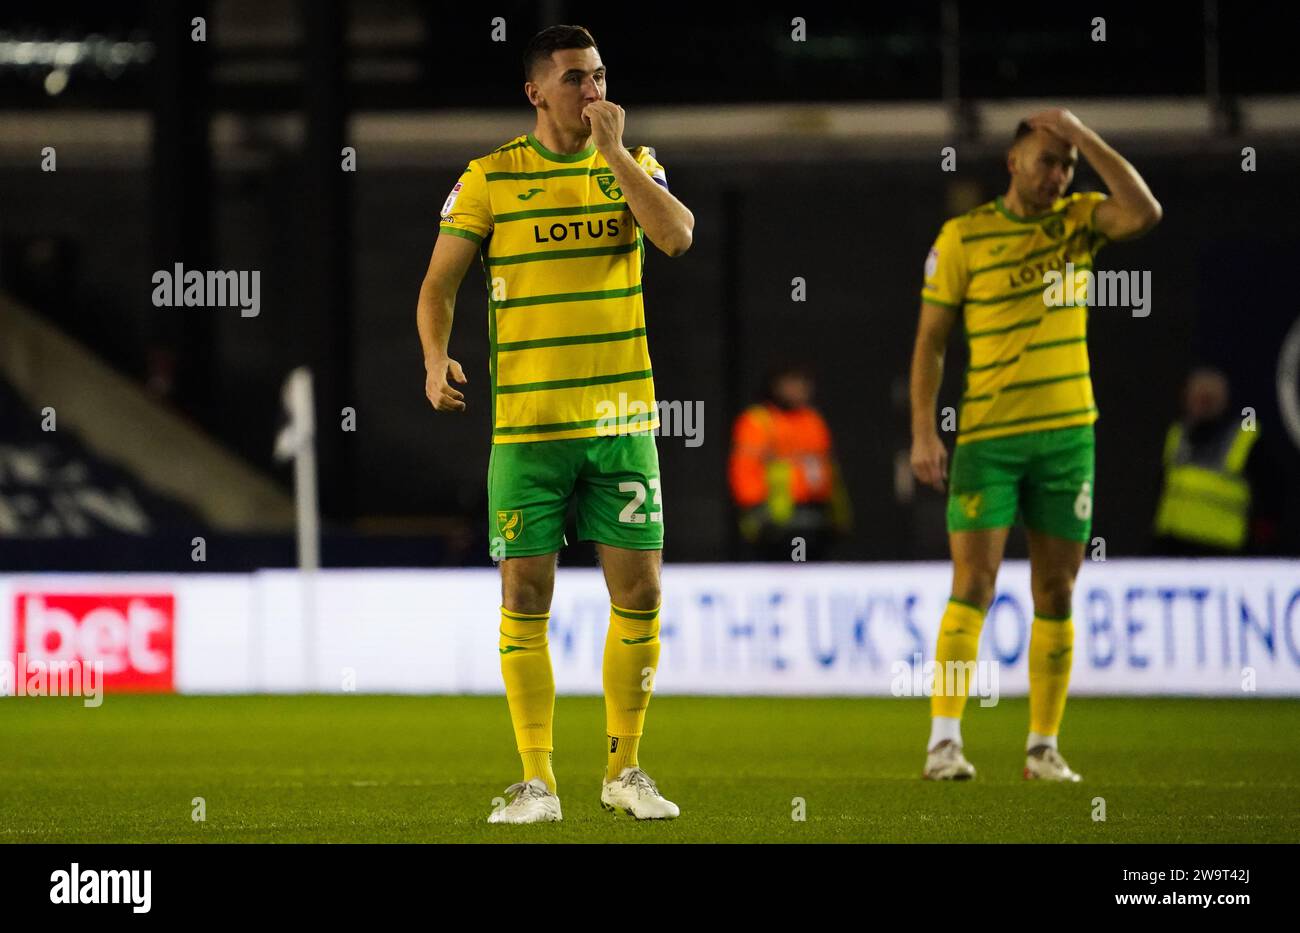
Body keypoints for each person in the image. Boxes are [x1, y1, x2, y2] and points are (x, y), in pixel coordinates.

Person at [416, 25, 695, 823]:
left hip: (621, 421)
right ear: (536, 91)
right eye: (576, 78)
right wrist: (435, 358)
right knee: (525, 590)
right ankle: (537, 780)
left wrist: (612, 155)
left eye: (601, 75)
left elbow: (675, 237)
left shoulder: (635, 167)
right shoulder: (490, 177)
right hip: (529, 428)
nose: (594, 91)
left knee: (639, 590)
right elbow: (438, 285)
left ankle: (625, 770)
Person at [909, 109, 1161, 782]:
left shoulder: (1079, 220)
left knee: (1058, 588)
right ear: (1013, 163)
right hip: (988, 438)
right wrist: (924, 429)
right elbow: (931, 341)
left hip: (1067, 436)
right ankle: (944, 742)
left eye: (1068, 164)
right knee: (974, 583)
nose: (1059, 174)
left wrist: (1087, 136)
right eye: (1048, 160)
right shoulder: (964, 237)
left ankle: (1042, 746)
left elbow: (1145, 211)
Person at [728, 364, 850, 561]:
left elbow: (828, 469)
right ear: (776, 387)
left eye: (803, 383)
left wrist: (838, 516)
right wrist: (757, 515)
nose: (800, 389)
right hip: (774, 522)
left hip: (815, 518)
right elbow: (744, 471)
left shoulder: (812, 420)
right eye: (792, 383)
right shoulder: (759, 421)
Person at [1153, 368, 1272, 555]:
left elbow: (1269, 497)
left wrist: (1258, 546)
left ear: (1222, 401)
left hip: (1223, 552)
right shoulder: (1177, 434)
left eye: (1208, 400)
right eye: (1197, 398)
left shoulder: (1244, 439)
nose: (1201, 405)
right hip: (1173, 547)